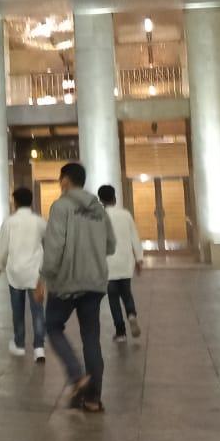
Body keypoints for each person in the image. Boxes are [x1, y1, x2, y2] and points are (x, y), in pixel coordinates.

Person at [36, 162, 116, 414]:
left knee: (52, 326)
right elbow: (111, 245)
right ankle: (92, 400)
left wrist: (42, 278)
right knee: (91, 338)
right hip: (95, 282)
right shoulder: (99, 209)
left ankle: (76, 374)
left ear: (65, 180)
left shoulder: (61, 206)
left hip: (67, 282)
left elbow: (54, 247)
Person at [0, 186, 47, 362]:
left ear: (15, 202)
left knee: (18, 311)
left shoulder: (9, 222)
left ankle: (19, 344)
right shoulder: (39, 221)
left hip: (15, 272)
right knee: (37, 311)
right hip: (35, 273)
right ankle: (39, 348)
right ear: (31, 202)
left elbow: (2, 246)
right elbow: (50, 241)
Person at [97, 184, 144, 342]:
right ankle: (131, 314)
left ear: (101, 200)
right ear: (114, 198)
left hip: (108, 264)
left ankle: (121, 332)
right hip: (125, 262)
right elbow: (134, 236)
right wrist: (139, 258)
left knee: (113, 299)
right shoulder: (125, 214)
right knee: (126, 293)